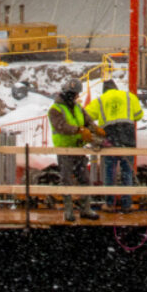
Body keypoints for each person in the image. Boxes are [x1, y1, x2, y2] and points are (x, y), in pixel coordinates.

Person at [86, 78, 145, 211]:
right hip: (127, 140)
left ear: (104, 90)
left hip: (109, 141)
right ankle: (126, 204)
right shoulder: (129, 97)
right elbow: (139, 115)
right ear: (116, 87)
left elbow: (86, 115)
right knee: (127, 173)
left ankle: (110, 204)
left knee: (109, 174)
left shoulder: (100, 100)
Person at [49, 80, 101, 221]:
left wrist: (95, 130)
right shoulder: (55, 109)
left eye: (76, 94)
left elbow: (87, 120)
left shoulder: (78, 108)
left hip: (78, 148)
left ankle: (85, 209)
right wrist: (79, 130)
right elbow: (61, 126)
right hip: (65, 150)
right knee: (66, 180)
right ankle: (68, 210)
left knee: (84, 179)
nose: (74, 96)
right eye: (72, 94)